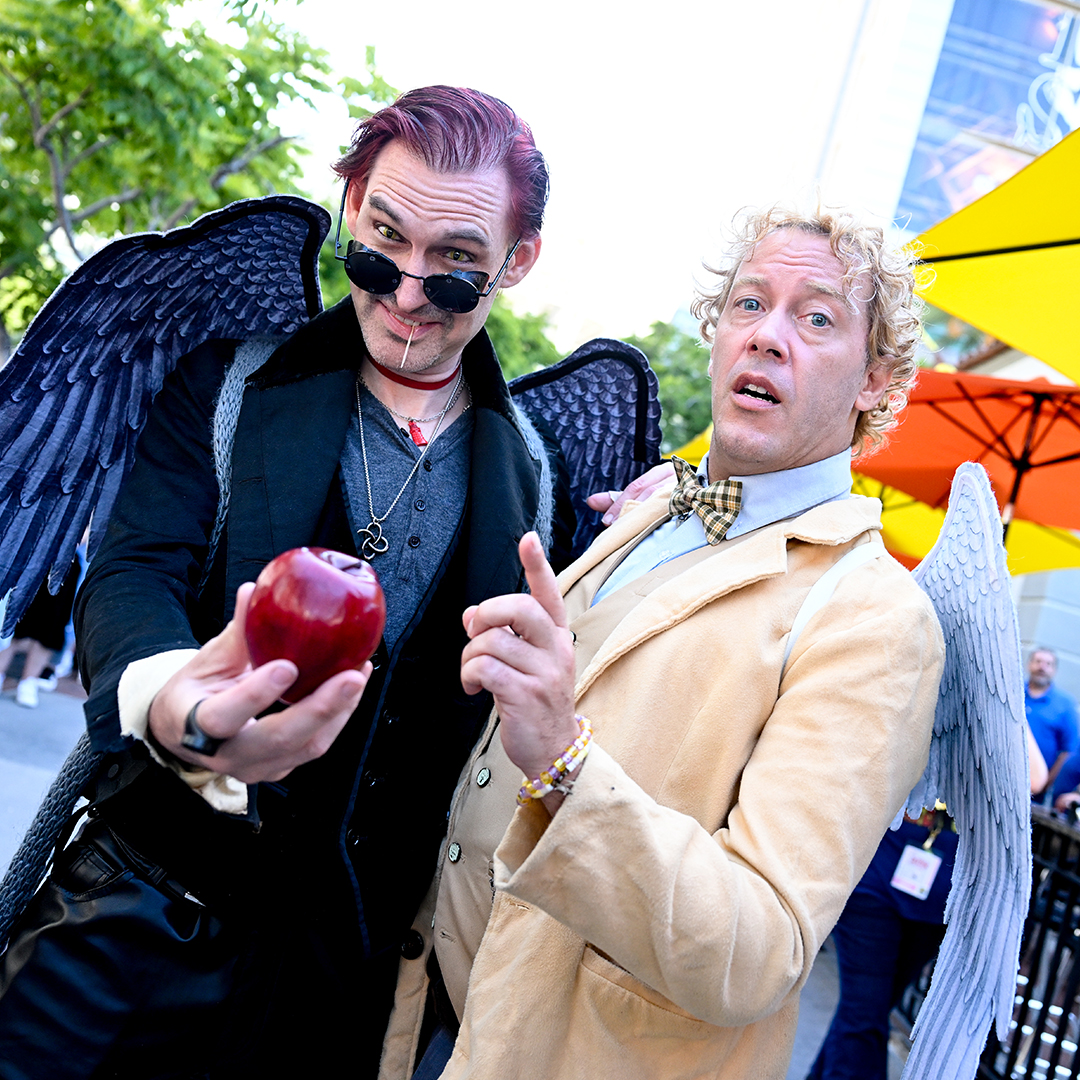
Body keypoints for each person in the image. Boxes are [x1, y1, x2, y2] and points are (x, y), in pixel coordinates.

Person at [0, 86, 575, 1079]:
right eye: (381, 242)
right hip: (129, 933)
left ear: (517, 262)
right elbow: (134, 568)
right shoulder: (227, 381)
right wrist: (169, 694)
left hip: (334, 1003)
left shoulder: (537, 467)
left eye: (455, 271)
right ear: (349, 203)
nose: (403, 294)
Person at [379, 208, 946, 1080]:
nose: (767, 337)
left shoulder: (877, 619)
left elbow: (760, 950)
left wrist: (562, 758)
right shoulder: (650, 508)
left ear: (875, 379)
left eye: (817, 316)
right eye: (749, 303)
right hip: (430, 1020)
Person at [1024, 646, 1078, 801]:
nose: (1042, 667)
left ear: (1054, 670)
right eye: (1038, 661)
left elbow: (1067, 751)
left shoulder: (1065, 704)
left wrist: (1045, 782)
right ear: (1029, 665)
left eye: (1048, 664)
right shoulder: (1013, 693)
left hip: (1035, 788)